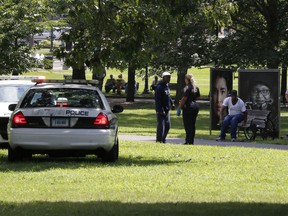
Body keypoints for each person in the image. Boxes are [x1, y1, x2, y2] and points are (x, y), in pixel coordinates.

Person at [178, 74, 200, 144]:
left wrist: (180, 107)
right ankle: (191, 140)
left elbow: (184, 98)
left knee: (187, 124)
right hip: (195, 106)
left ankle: (188, 140)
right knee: (192, 124)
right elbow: (198, 97)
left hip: (188, 107)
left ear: (186, 79)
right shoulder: (196, 87)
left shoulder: (187, 87)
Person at [155, 71, 174, 143]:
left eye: (170, 77)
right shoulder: (159, 87)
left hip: (167, 109)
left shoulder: (166, 86)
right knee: (161, 126)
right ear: (163, 78)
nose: (169, 79)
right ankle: (159, 139)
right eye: (168, 77)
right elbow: (158, 100)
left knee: (167, 126)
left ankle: (163, 138)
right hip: (161, 110)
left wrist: (172, 103)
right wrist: (160, 109)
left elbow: (168, 96)